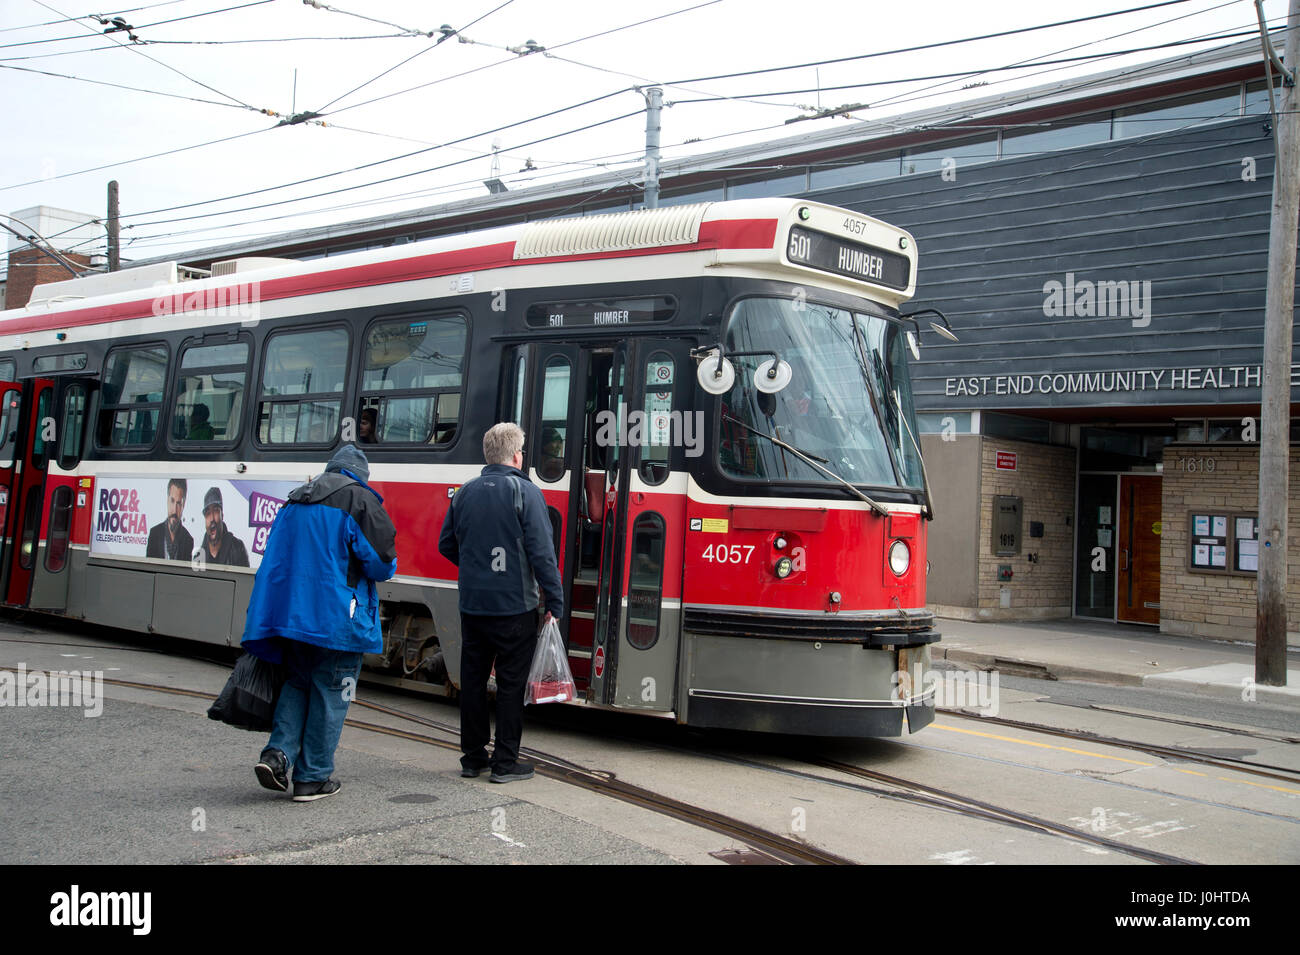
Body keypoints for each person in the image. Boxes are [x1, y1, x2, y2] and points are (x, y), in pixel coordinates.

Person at [242, 445, 397, 801]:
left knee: (296, 685)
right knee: (331, 694)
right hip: (337, 623)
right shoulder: (358, 500)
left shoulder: (296, 499)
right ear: (360, 475)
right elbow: (381, 563)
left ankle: (277, 754)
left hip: (293, 619)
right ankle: (312, 778)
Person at [438, 422, 563, 783]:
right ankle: (505, 762)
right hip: (514, 608)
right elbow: (542, 554)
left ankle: (472, 758)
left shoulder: (464, 493)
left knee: (473, 681)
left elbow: (446, 545)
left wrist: (476, 568)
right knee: (510, 684)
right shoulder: (525, 492)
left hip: (474, 606)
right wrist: (555, 600)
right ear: (516, 456)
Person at [197, 487, 250, 567]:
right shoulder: (198, 556)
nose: (212, 519)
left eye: (216, 511)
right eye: (208, 513)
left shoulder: (238, 548)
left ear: (222, 515)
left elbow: (244, 579)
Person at [145, 478, 193, 561]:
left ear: (183, 505)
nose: (174, 510)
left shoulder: (188, 540)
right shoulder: (154, 534)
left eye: (178, 503)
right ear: (167, 500)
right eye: (172, 501)